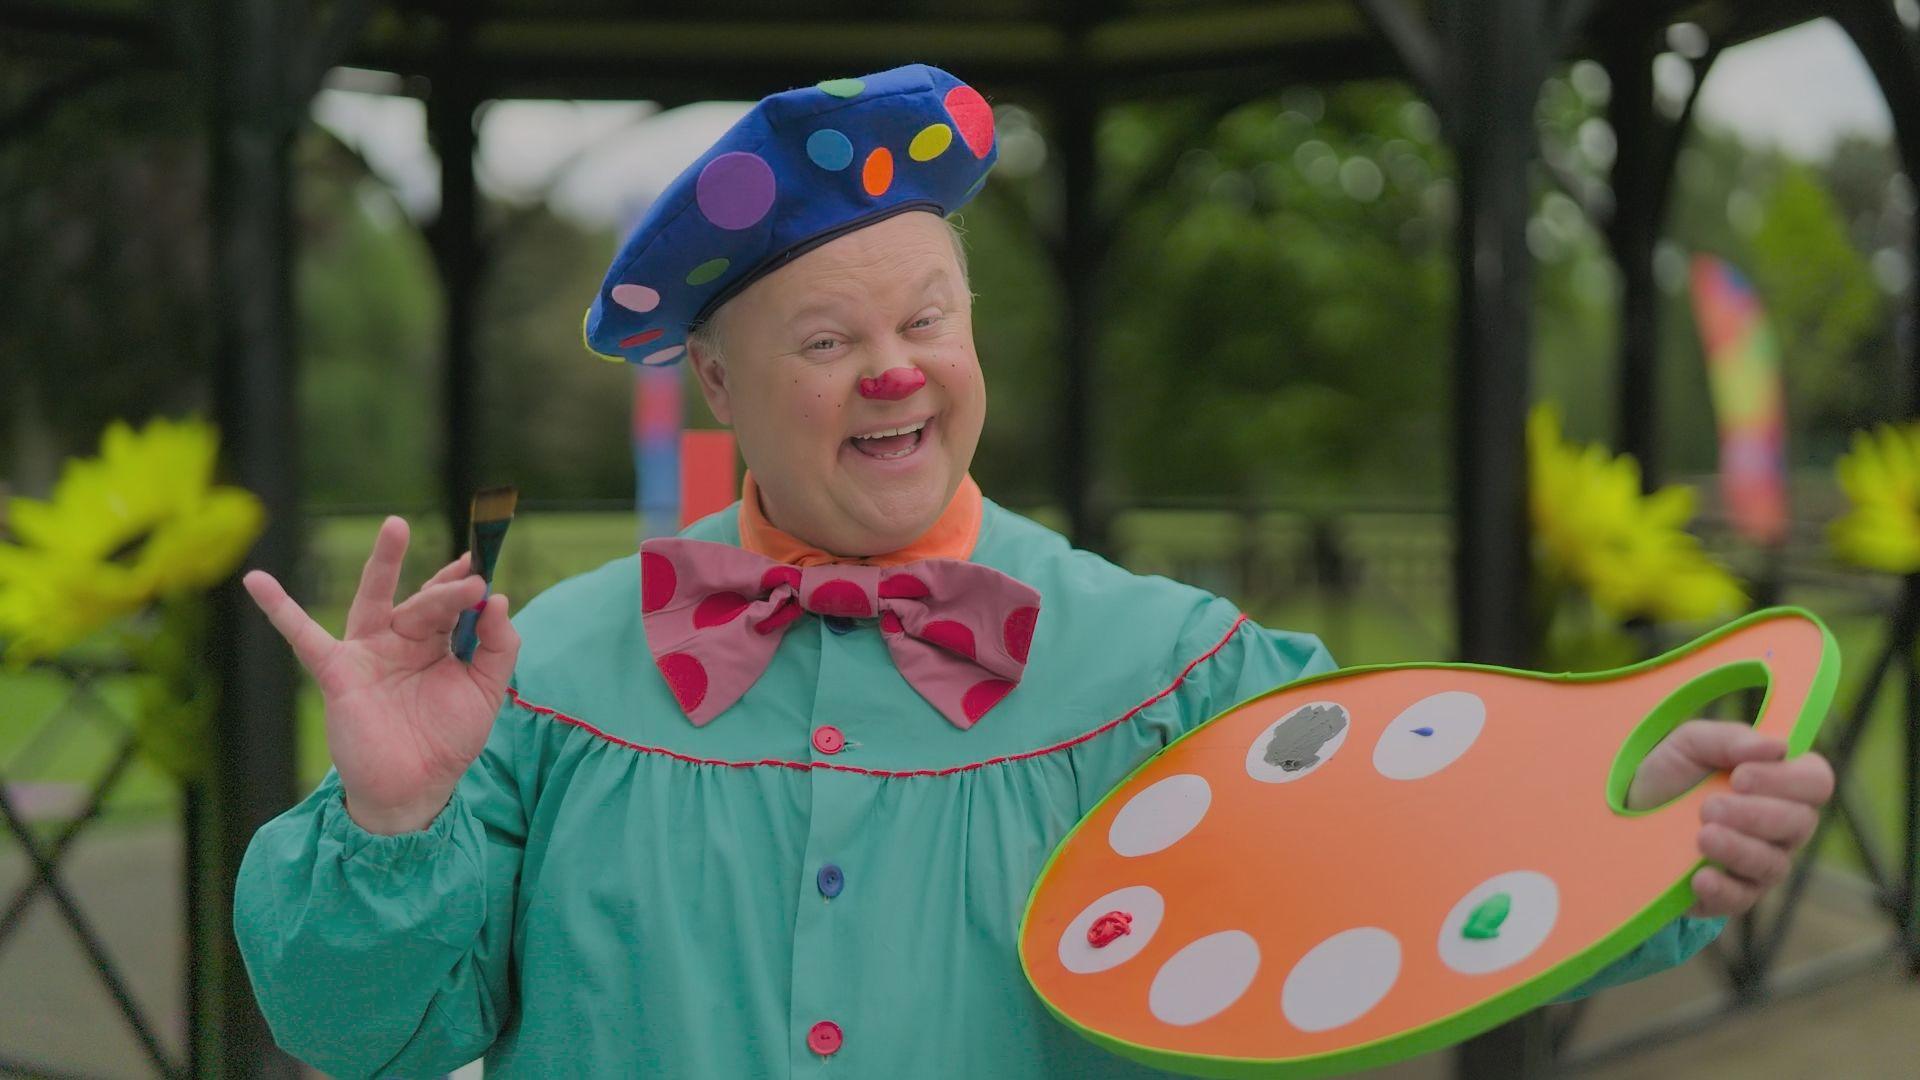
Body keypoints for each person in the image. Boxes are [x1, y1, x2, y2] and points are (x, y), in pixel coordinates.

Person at [233, 64, 1834, 1078]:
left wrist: (1652, 840)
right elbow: (357, 1035)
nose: (896, 372)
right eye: (827, 338)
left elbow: (1404, 879)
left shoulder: (1177, 672)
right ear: (715, 386)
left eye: (929, 319)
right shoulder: (553, 682)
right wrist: (390, 820)